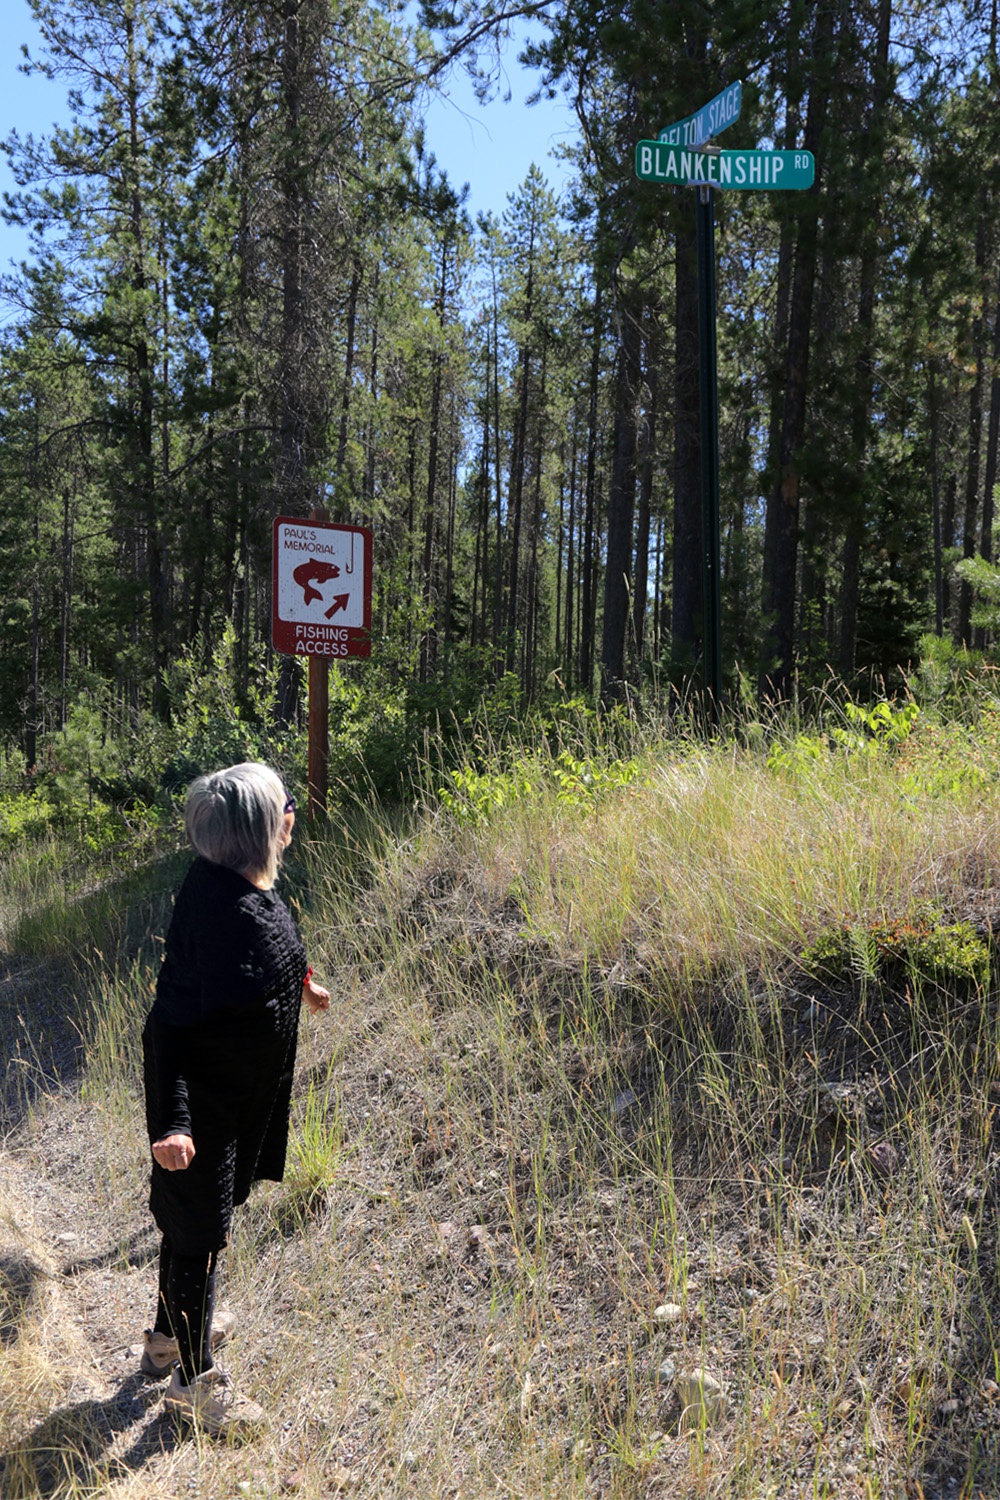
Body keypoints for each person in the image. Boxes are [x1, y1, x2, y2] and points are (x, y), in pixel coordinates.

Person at [140, 762, 331, 1435]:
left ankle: (165, 1337)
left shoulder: (234, 889)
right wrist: (173, 1120)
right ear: (260, 831)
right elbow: (168, 1025)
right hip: (202, 1111)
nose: (292, 815)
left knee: (195, 1226)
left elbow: (274, 946)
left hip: (236, 1100)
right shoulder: (225, 916)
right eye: (286, 806)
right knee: (200, 1238)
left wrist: (301, 981)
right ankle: (195, 1378)